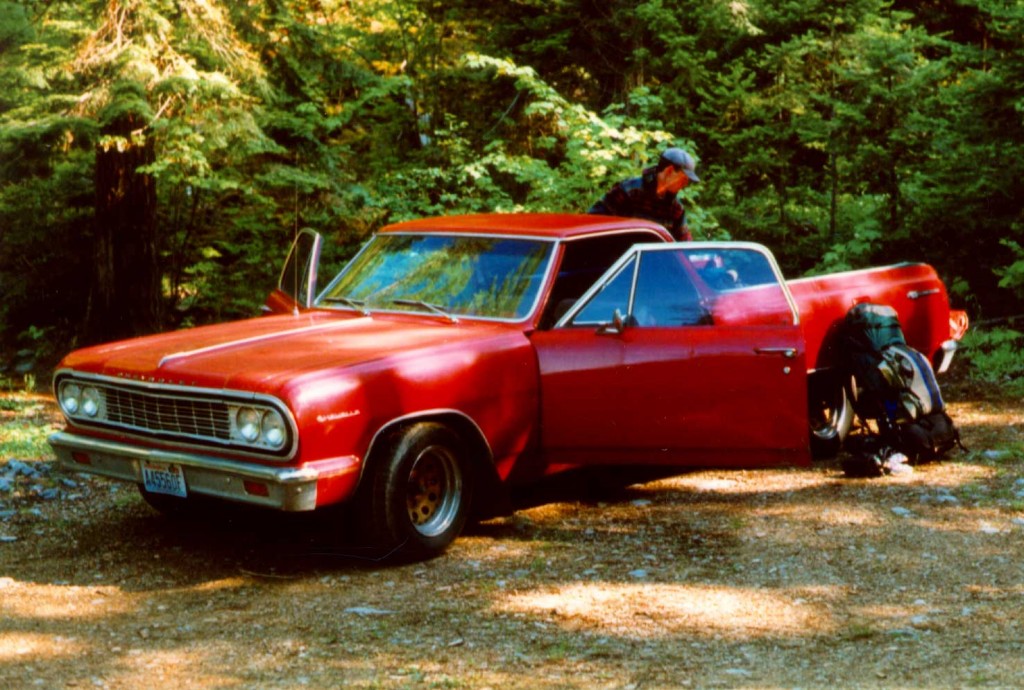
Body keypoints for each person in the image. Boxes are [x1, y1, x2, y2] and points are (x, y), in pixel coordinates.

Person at [588, 147, 700, 241]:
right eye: (683, 179)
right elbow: (592, 221)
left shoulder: (676, 209)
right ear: (669, 171)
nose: (685, 184)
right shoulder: (629, 191)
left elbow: (684, 243)